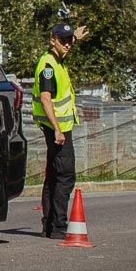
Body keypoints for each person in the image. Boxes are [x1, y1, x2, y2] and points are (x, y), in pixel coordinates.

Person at [33, 23, 86, 239]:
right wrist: (57, 129)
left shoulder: (56, 59)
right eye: (63, 40)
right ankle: (59, 226)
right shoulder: (48, 66)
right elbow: (46, 98)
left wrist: (74, 36)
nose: (68, 44)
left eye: (70, 40)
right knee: (65, 175)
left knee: (54, 175)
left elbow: (66, 43)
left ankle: (50, 225)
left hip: (59, 127)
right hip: (58, 129)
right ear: (51, 39)